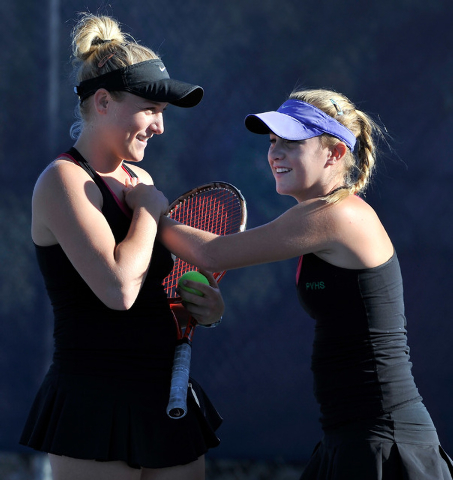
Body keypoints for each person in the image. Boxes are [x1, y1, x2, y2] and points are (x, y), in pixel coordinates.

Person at [157, 89, 453, 479]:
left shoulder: (335, 214)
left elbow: (212, 254)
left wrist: (149, 209)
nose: (275, 153)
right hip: (347, 436)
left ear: (334, 154)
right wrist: (214, 313)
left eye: (292, 142)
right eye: (273, 141)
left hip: (384, 442)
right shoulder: (322, 217)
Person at [20, 13, 224, 480]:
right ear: (104, 101)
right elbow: (118, 289)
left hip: (164, 393)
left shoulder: (140, 180)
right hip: (92, 399)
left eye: (164, 114)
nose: (160, 126)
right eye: (150, 110)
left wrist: (201, 307)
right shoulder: (62, 181)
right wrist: (149, 210)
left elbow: (158, 280)